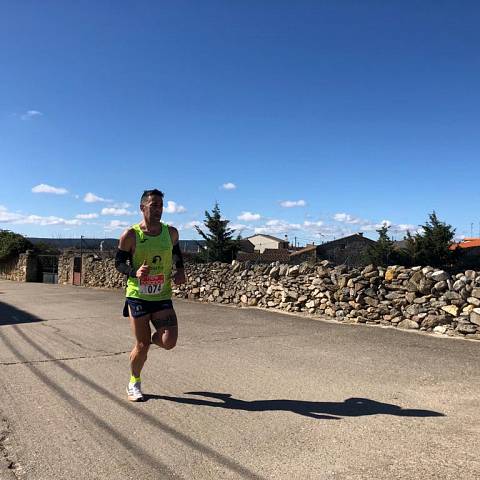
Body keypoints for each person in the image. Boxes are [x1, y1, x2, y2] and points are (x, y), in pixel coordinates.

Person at [115, 189, 186, 401]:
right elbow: (118, 263)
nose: (158, 210)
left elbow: (176, 253)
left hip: (162, 294)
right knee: (142, 346)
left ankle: (146, 343)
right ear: (142, 207)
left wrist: (180, 270)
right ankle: (134, 382)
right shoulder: (130, 235)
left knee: (169, 341)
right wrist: (133, 272)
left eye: (161, 206)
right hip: (138, 295)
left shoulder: (170, 232)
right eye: (154, 205)